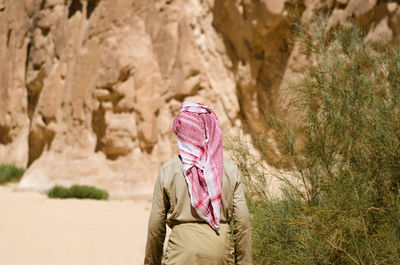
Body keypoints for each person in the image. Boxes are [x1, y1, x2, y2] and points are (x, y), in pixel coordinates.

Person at [144, 102, 252, 265]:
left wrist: (151, 263)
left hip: (180, 254)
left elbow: (155, 227)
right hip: (220, 252)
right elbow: (242, 223)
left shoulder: (169, 170)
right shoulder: (229, 169)